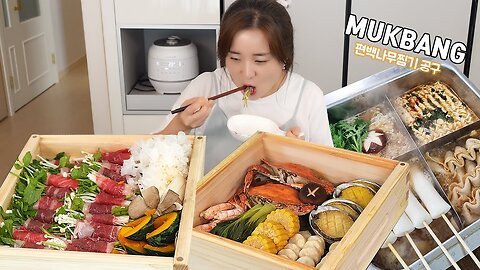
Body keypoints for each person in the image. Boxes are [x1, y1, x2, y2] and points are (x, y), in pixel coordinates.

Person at [156, 0, 333, 172]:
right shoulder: (207, 85)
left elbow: (331, 174)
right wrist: (181, 125)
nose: (247, 73)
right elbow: (142, 157)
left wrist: (301, 157)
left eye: (260, 60)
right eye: (235, 59)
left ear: (284, 57)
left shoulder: (308, 96)